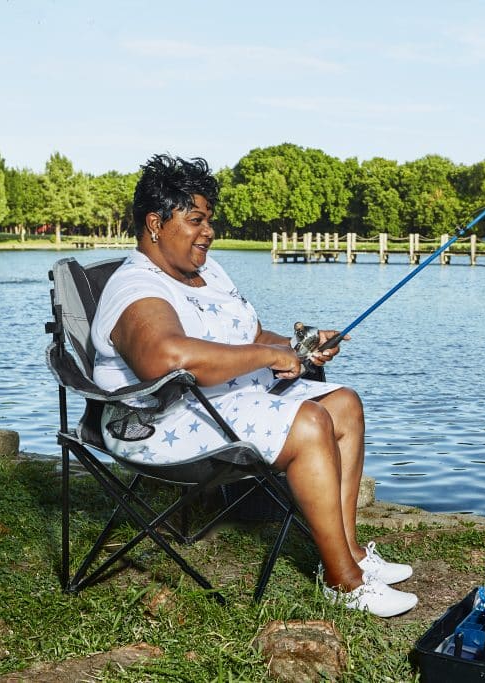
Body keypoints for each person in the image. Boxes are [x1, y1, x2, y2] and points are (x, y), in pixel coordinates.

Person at [90, 153, 417, 618]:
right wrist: (266, 357)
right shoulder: (137, 286)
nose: (208, 231)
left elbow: (253, 336)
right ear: (155, 224)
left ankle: (351, 554)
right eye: (196, 220)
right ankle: (344, 584)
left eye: (210, 220)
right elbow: (163, 358)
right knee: (308, 423)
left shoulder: (209, 271)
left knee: (344, 403)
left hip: (222, 398)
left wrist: (297, 346)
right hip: (158, 420)